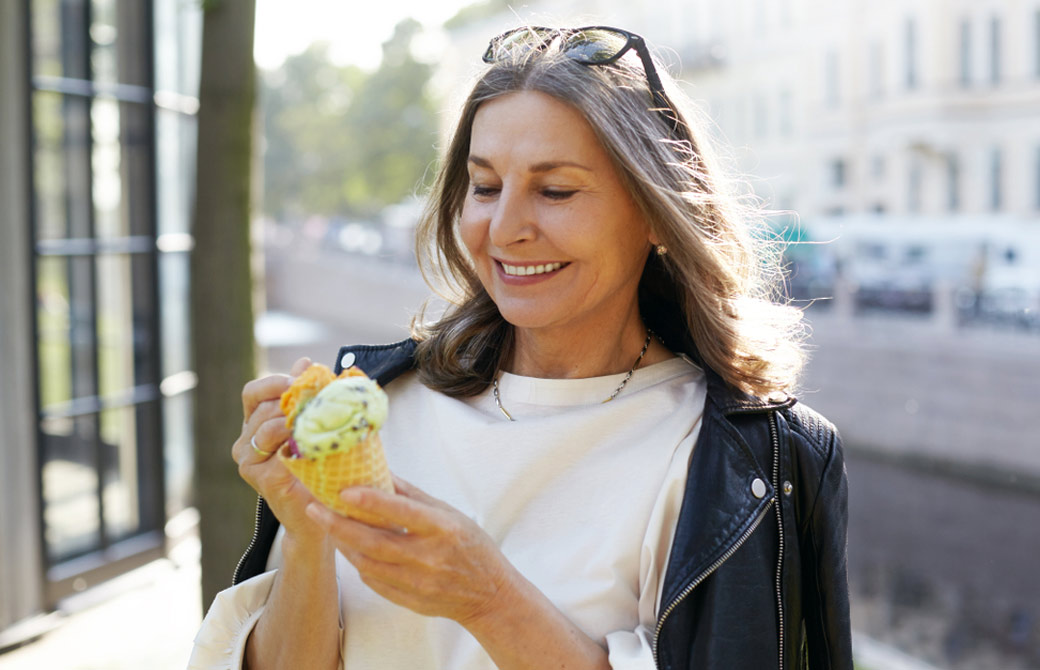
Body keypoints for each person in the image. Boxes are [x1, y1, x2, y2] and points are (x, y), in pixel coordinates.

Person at [189, 25, 852, 670]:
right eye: (484, 186)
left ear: (655, 213)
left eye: (555, 190)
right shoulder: (382, 405)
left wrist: (491, 600)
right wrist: (306, 532)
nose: (504, 228)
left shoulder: (741, 460)